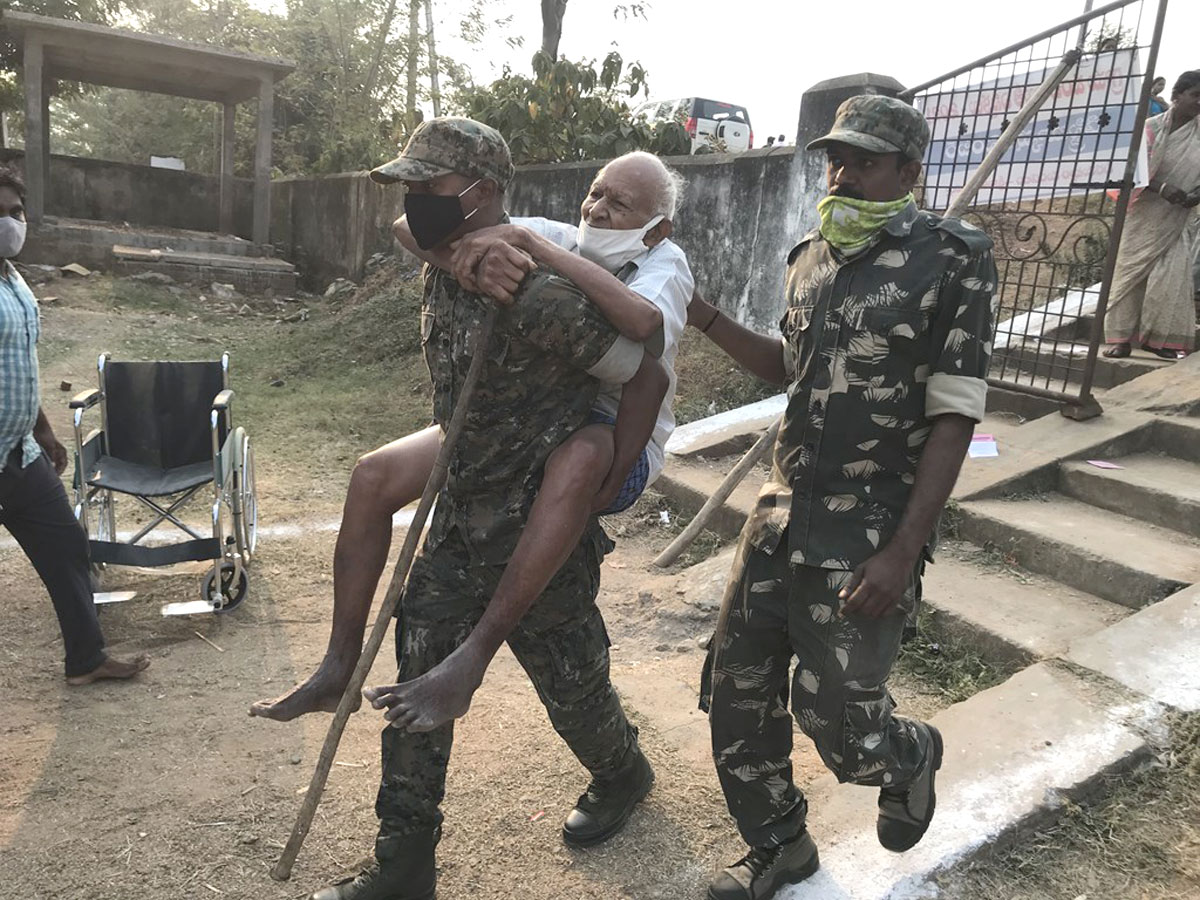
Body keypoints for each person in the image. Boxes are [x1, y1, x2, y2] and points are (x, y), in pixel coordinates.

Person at [306, 118, 668, 900]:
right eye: (409, 183)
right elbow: (415, 233)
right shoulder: (448, 260)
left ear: (481, 193)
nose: (414, 198)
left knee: (575, 693)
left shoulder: (538, 294)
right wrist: (449, 250)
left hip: (540, 536)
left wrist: (608, 480)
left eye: (428, 185)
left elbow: (646, 373)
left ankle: (622, 771)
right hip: (460, 513)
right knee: (415, 687)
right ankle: (403, 866)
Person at [250, 150, 692, 727]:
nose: (598, 209)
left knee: (578, 459)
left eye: (619, 203)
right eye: (595, 192)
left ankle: (473, 659)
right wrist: (467, 258)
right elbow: (409, 227)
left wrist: (534, 250)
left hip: (616, 434)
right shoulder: (568, 233)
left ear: (656, 228)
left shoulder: (664, 264)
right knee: (372, 476)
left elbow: (645, 335)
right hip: (533, 418)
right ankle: (338, 666)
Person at [687, 95, 996, 900]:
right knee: (736, 697)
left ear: (907, 171)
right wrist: (702, 314)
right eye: (837, 158)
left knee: (845, 736)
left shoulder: (952, 258)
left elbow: (955, 414)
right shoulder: (810, 258)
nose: (843, 173)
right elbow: (784, 370)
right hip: (779, 520)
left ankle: (908, 753)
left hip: (865, 537)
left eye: (863, 160)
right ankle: (780, 844)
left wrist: (902, 550)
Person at [0, 167, 150, 686]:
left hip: (19, 453)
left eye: (15, 212)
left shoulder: (14, 281)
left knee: (66, 546)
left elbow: (17, 364)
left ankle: (86, 659)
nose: (9, 223)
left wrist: (41, 428)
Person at [1104, 70, 1200, 361]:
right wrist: (1162, 188)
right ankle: (1120, 340)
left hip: (1177, 218)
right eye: (1196, 95)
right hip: (1143, 213)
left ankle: (1160, 341)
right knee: (1129, 277)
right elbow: (1127, 172)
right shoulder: (1149, 128)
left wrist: (1195, 196)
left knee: (1170, 278)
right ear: (1177, 96)